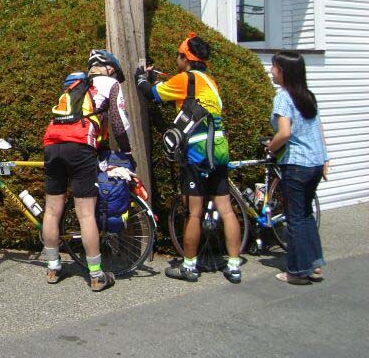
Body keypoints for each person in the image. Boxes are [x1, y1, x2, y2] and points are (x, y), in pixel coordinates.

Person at [135, 32, 243, 283]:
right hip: (219, 148)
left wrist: (141, 78)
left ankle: (189, 266)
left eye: (178, 55)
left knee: (194, 213)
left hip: (197, 151)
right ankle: (234, 265)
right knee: (226, 210)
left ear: (186, 58)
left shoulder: (185, 79)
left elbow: (152, 94)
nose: (176, 59)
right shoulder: (210, 81)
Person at [41, 49, 133, 291]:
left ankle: (52, 268)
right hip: (80, 147)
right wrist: (127, 150)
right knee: (86, 214)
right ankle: (96, 275)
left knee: (52, 211)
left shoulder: (74, 84)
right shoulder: (111, 83)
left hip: (51, 143)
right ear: (111, 69)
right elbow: (118, 123)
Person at [266, 51, 328, 285]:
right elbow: (318, 129)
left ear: (283, 71)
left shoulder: (283, 97)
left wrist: (271, 147)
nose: (271, 70)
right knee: (305, 215)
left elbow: (284, 133)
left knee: (294, 218)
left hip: (297, 164)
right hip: (315, 162)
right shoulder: (307, 96)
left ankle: (297, 271)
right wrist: (325, 159)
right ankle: (313, 265)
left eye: (274, 67)